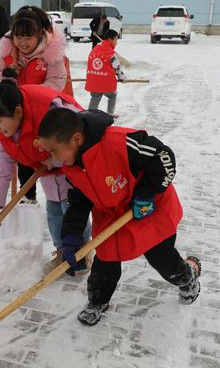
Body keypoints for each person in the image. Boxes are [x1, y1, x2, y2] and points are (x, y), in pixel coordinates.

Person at [37, 108, 201, 326]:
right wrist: (70, 239)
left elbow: (164, 157)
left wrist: (146, 194)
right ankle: (97, 301)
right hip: (111, 213)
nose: (53, 158)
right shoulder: (72, 166)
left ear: (76, 139)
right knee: (105, 260)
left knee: (162, 259)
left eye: (55, 151)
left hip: (148, 207)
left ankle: (187, 276)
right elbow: (79, 203)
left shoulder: (119, 143)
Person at [0, 80, 93, 271]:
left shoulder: (48, 109)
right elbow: (0, 168)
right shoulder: (5, 133)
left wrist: (54, 159)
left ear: (17, 112)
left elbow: (78, 135)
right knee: (54, 212)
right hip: (48, 173)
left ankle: (81, 251)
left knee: (72, 211)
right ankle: (61, 251)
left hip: (72, 167)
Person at [0, 5, 73, 204]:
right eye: (18, 37)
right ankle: (28, 197)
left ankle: (63, 198)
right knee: (21, 154)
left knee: (51, 157)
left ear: (40, 33)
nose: (23, 42)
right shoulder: (9, 54)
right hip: (17, 116)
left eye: (28, 37)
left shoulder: (51, 55)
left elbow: (56, 83)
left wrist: (27, 97)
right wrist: (5, 76)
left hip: (45, 114)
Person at [86, 29, 126, 117]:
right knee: (112, 95)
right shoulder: (111, 53)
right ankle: (110, 113)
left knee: (95, 96)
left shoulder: (95, 49)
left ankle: (89, 115)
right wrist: (122, 78)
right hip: (106, 83)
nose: (116, 43)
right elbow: (117, 68)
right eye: (116, 40)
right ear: (110, 39)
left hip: (93, 81)